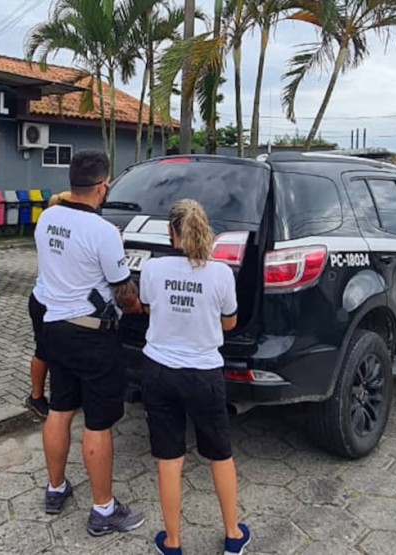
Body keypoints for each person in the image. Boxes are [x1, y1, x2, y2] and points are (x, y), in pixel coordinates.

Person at [34, 150, 145, 536]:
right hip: (92, 336)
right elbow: (123, 292)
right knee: (98, 423)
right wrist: (142, 307)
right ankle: (103, 510)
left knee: (60, 408)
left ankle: (55, 488)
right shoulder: (103, 232)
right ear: (102, 185)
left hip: (54, 328)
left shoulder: (47, 218)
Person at [139, 199, 251, 555]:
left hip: (158, 371)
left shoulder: (153, 270)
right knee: (220, 454)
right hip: (203, 375)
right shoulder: (220, 274)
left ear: (171, 233)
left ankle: (172, 541)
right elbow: (230, 322)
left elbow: (146, 308)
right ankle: (233, 535)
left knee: (169, 458)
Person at [26, 191, 72, 418]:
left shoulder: (47, 227)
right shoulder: (60, 232)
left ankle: (49, 395)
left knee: (47, 351)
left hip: (41, 299)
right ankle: (36, 397)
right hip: (47, 301)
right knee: (44, 351)